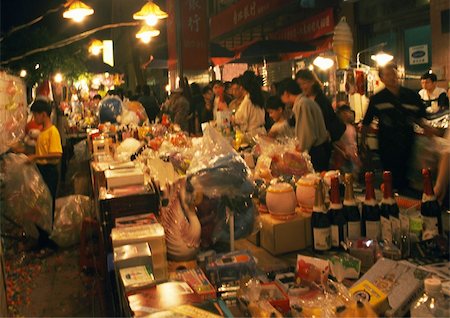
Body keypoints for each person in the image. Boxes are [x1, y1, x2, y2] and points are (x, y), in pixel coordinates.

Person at [361, 62, 427, 191]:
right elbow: (366, 123)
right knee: (390, 178)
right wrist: (363, 145)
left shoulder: (412, 96)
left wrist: (430, 131)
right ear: (382, 79)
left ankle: (405, 201)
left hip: (408, 143)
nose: (392, 77)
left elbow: (421, 118)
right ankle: (391, 203)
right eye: (388, 74)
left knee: (407, 179)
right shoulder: (377, 99)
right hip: (387, 144)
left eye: (394, 73)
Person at [29, 100, 63, 249]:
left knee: (47, 206)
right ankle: (43, 239)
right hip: (41, 171)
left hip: (49, 171)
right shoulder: (42, 132)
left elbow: (57, 153)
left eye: (35, 115)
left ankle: (48, 241)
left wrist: (36, 157)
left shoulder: (52, 132)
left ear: (43, 115)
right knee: (41, 206)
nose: (33, 119)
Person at [278, 78, 329, 172]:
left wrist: (296, 152)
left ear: (285, 93)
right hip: (318, 150)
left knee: (315, 184)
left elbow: (307, 135)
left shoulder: (303, 104)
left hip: (315, 153)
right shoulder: (304, 102)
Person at [295, 69, 346, 144]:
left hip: (323, 142)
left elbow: (326, 119)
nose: (302, 87)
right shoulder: (301, 99)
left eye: (304, 83)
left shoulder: (321, 100)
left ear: (312, 82)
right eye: (299, 84)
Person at [233, 71, 266, 139]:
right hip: (262, 131)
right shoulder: (258, 96)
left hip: (253, 135)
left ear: (242, 87)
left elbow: (240, 118)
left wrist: (233, 118)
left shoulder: (248, 100)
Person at [332, 105, 361, 178]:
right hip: (342, 157)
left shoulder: (351, 127)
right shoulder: (339, 127)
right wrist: (343, 152)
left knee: (352, 175)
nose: (348, 114)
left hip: (352, 155)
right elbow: (335, 142)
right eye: (345, 112)